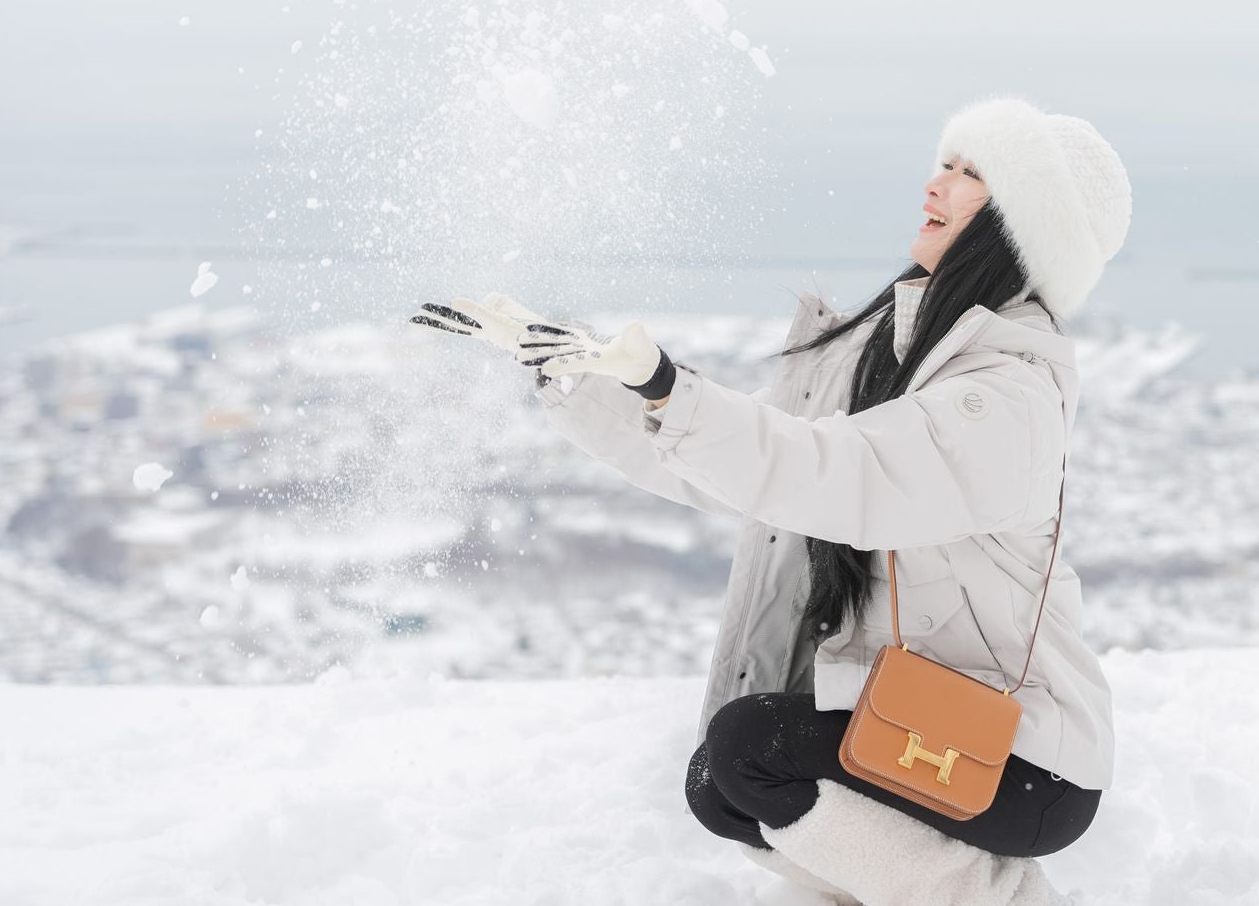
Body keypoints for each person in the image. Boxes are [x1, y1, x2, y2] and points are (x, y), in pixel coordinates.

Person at [414, 95, 1131, 906]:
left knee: (754, 749)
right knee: (719, 780)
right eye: (946, 162)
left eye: (971, 175)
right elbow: (736, 469)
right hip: (923, 717)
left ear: (1020, 226)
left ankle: (994, 898)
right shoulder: (893, 351)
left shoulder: (1004, 395)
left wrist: (667, 383)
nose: (936, 183)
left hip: (1022, 759)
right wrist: (578, 375)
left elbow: (829, 476)